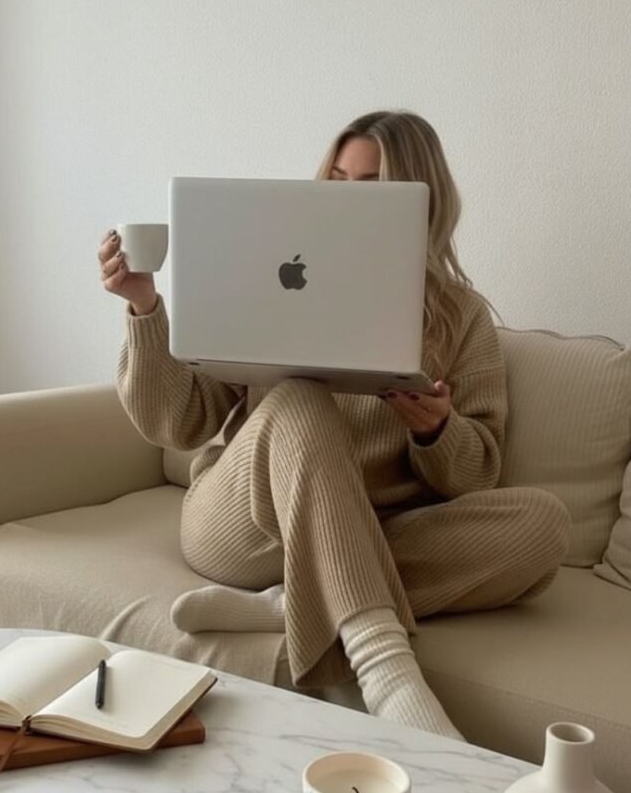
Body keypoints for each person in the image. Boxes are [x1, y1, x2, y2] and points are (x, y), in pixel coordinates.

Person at [98, 110, 570, 741]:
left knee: (544, 524)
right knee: (300, 399)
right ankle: (383, 666)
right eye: (337, 181)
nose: (346, 200)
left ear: (418, 200)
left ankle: (298, 603)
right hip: (242, 525)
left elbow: (477, 474)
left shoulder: (461, 318)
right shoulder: (269, 283)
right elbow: (178, 423)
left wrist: (436, 430)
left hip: (370, 528)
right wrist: (144, 306)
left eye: (370, 187)